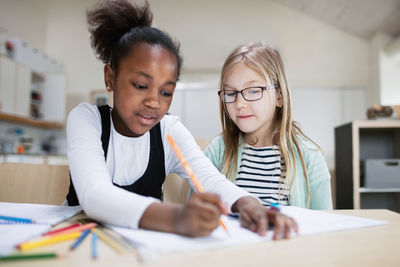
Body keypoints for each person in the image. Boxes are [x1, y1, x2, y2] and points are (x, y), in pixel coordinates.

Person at [66, 0, 297, 238]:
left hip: (145, 248)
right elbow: (95, 195)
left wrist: (249, 204)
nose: (154, 101)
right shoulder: (86, 119)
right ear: (110, 77)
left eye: (166, 91)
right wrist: (176, 217)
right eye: (141, 85)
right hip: (78, 241)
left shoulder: (169, 130)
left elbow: (210, 179)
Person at [204, 42, 332, 210]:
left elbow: (323, 224)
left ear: (279, 96)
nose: (239, 103)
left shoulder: (309, 157)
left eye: (253, 91)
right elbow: (196, 215)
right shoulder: (216, 152)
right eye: (231, 93)